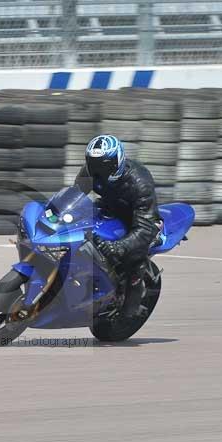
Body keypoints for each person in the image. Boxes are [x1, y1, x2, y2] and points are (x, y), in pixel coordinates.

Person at [75, 134, 162, 317]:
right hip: (109, 208)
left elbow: (146, 227)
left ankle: (131, 308)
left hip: (137, 219)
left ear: (117, 162)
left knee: (133, 261)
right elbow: (75, 196)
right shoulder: (89, 173)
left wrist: (118, 247)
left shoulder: (140, 183)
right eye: (94, 164)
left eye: (104, 166)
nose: (98, 171)